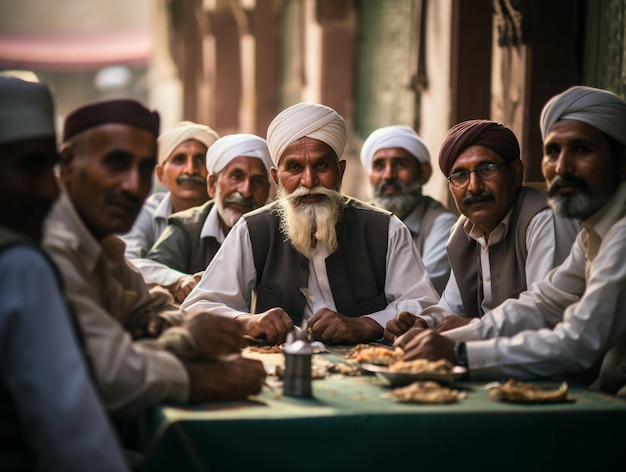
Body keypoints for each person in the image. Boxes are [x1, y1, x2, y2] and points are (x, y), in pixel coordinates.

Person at [396, 86, 626, 397]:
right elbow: (542, 302)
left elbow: (578, 343)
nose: (562, 168)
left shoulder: (613, 235)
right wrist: (442, 335)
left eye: (581, 150)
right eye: (553, 151)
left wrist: (460, 353)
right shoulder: (593, 234)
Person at [43, 99, 266, 418]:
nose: (134, 185)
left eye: (143, 168)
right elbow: (104, 372)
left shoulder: (102, 243)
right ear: (67, 166)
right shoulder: (51, 248)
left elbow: (149, 306)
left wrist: (165, 324)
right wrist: (193, 361)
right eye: (116, 163)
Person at [182, 102, 439, 345]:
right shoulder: (253, 229)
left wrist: (366, 324)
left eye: (322, 165)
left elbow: (424, 305)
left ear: (340, 171)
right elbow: (197, 307)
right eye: (294, 167)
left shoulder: (385, 229)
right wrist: (249, 321)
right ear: (276, 177)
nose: (308, 180)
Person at [0, 77, 131, 470]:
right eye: (30, 168)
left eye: (50, 168)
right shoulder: (19, 266)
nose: (49, 190)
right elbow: (75, 440)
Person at [384, 119, 580, 342]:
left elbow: (545, 312)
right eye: (460, 176)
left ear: (516, 173)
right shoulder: (463, 233)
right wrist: (423, 323)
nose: (474, 186)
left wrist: (472, 327)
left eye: (487, 169)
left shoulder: (543, 219)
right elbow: (451, 308)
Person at [144, 133, 272, 300]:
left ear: (268, 189)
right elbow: (146, 270)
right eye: (236, 177)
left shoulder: (279, 232)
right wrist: (179, 281)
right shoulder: (187, 226)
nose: (246, 191)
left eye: (257, 181)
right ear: (212, 185)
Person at [122, 120, 219, 301]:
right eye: (179, 160)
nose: (190, 169)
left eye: (200, 159)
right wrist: (176, 280)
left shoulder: (230, 214)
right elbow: (125, 261)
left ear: (214, 175)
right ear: (160, 174)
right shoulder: (142, 212)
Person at [360, 125, 457, 294]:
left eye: (400, 164)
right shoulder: (359, 219)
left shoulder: (441, 224)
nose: (389, 175)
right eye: (379, 165)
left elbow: (423, 292)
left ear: (423, 172)